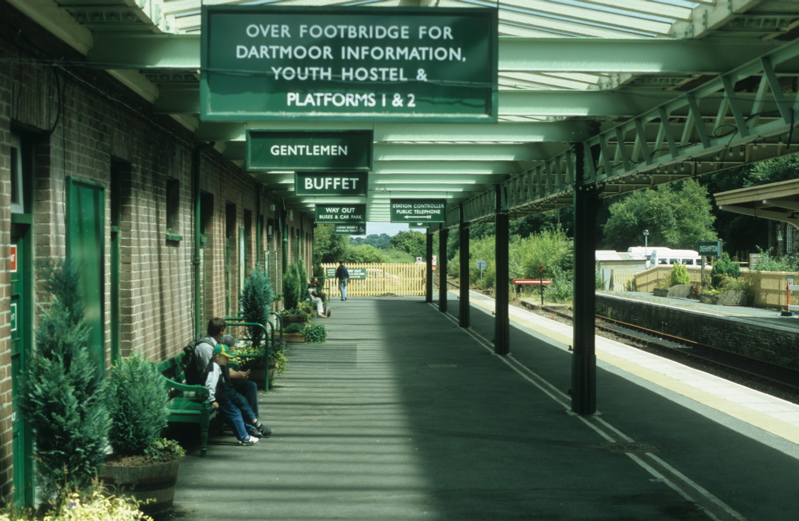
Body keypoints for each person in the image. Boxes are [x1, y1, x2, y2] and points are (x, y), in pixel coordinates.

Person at [195, 318, 272, 439]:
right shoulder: (205, 347)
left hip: (221, 382)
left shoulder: (216, 343)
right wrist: (233, 375)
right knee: (236, 398)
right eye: (224, 330)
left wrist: (234, 372)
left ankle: (253, 421)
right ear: (221, 331)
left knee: (250, 386)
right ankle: (250, 425)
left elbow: (220, 366)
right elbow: (211, 371)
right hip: (214, 386)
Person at [205, 344, 260, 446]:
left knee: (236, 412)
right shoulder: (214, 368)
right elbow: (210, 386)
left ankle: (245, 435)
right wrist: (212, 400)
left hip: (222, 395)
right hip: (220, 397)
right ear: (217, 357)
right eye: (225, 357)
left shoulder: (217, 366)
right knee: (235, 414)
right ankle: (244, 438)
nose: (227, 360)